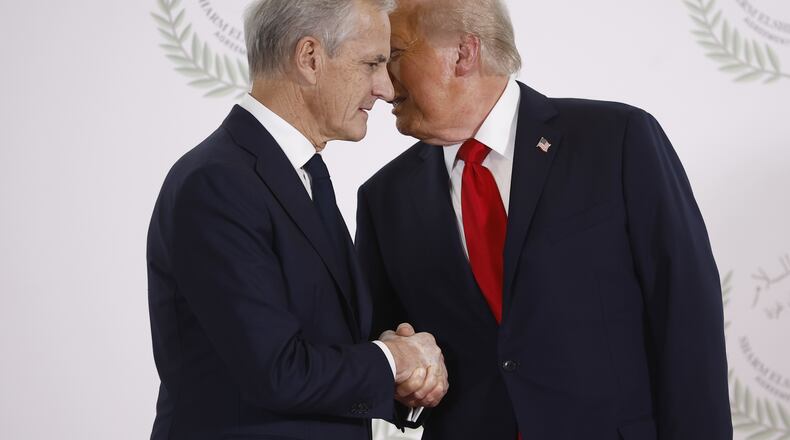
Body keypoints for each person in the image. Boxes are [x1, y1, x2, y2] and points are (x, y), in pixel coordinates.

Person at [355, 0, 732, 438]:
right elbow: (386, 350)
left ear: (463, 53)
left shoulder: (618, 140)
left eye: (394, 55)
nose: (381, 84)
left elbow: (685, 314)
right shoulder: (385, 198)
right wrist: (405, 380)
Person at [146, 1, 447, 439]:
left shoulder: (302, 173)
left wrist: (395, 367)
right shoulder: (216, 183)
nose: (385, 88)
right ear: (310, 58)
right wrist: (392, 360)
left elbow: (317, 340)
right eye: (372, 63)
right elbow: (276, 370)